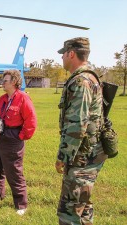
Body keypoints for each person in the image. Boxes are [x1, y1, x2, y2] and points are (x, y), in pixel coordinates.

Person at [56, 37, 107, 225]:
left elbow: (77, 123)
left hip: (82, 156)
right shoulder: (90, 77)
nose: (62, 59)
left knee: (70, 212)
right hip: (90, 153)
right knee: (83, 207)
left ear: (71, 54)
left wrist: (63, 156)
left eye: (63, 54)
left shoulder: (82, 81)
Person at [0, 69, 37, 215]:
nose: (2, 83)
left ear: (14, 82)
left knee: (13, 171)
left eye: (5, 80)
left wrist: (21, 136)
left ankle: (21, 204)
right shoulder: (1, 99)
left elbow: (31, 120)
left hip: (12, 136)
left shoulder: (23, 98)